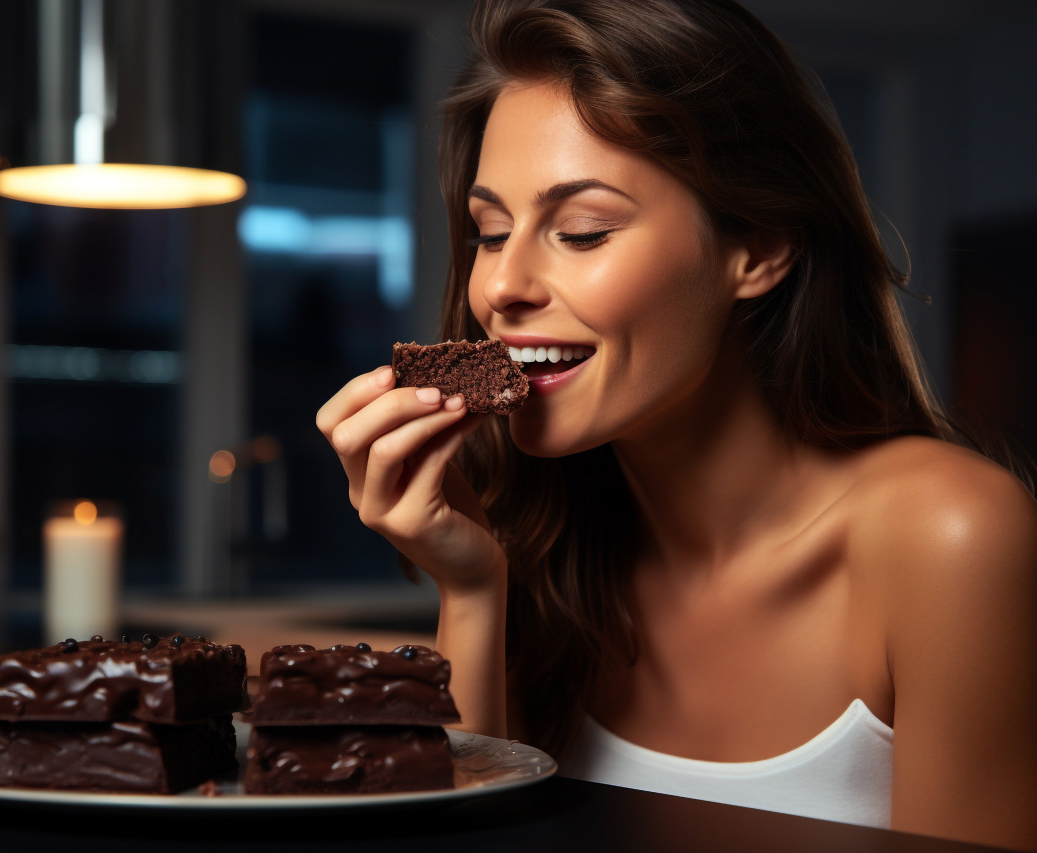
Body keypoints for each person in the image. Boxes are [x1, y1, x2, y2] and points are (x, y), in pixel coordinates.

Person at [316, 0, 1037, 847]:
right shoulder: (541, 541)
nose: (500, 288)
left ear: (758, 248)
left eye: (582, 232)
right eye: (491, 231)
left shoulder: (949, 536)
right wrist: (471, 592)